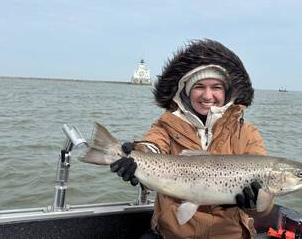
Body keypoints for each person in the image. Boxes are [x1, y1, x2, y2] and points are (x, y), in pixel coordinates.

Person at [110, 39, 273, 239]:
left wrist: (256, 204)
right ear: (186, 91)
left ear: (227, 91)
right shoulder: (166, 125)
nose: (208, 95)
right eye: (199, 86)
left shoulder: (247, 133)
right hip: (171, 233)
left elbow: (264, 209)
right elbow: (152, 146)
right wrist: (136, 156)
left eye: (216, 87)